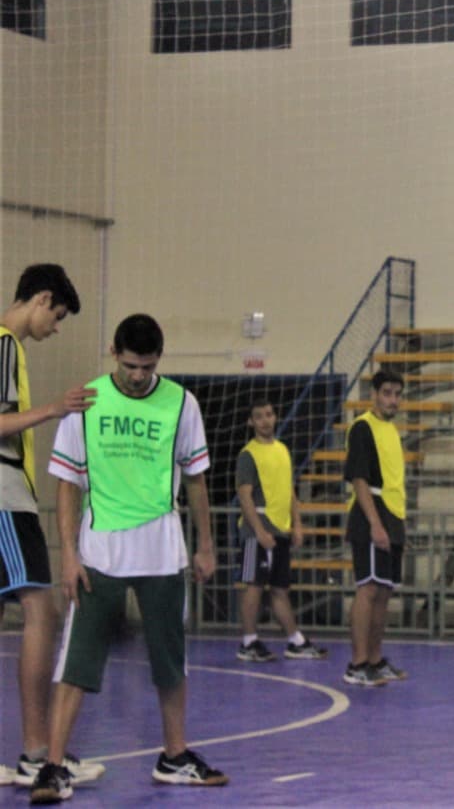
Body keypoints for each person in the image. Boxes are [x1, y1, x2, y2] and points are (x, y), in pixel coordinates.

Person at [31, 314, 228, 803]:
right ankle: (53, 768)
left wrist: (206, 545)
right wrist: (69, 556)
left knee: (170, 660)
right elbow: (67, 484)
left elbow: (197, 478)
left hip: (162, 551)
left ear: (158, 359)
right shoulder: (88, 402)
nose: (138, 375)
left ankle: (175, 756)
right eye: (130, 365)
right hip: (100, 553)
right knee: (76, 662)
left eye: (147, 366)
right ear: (114, 353)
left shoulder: (183, 403)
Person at [0, 264, 104, 790]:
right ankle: (37, 751)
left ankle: (34, 748)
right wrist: (53, 409)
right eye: (57, 316)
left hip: (10, 497)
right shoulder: (3, 345)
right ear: (41, 299)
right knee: (42, 610)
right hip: (3, 499)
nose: (55, 328)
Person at [234, 398, 327, 662]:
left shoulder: (283, 450)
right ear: (251, 422)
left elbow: (289, 491)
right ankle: (249, 642)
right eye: (259, 416)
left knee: (279, 588)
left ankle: (295, 641)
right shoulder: (248, 455)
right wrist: (259, 532)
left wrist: (296, 524)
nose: (265, 420)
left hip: (281, 530)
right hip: (258, 531)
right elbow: (245, 497)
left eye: (269, 414)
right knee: (253, 584)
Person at [342, 368, 408, 687]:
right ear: (374, 394)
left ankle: (376, 659)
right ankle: (357, 663)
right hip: (372, 517)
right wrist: (375, 524)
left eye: (397, 394)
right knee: (368, 589)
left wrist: (394, 523)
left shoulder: (391, 431)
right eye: (387, 393)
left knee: (384, 591)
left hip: (393, 517)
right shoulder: (362, 428)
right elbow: (359, 479)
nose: (392, 399)